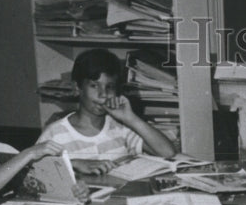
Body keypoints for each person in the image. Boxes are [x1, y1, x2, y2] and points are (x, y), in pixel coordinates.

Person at [37, 48, 176, 176]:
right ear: (77, 88)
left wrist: (130, 118)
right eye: (94, 86)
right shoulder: (56, 133)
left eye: (109, 87)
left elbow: (168, 152)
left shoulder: (122, 128)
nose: (103, 94)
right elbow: (35, 172)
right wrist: (73, 164)